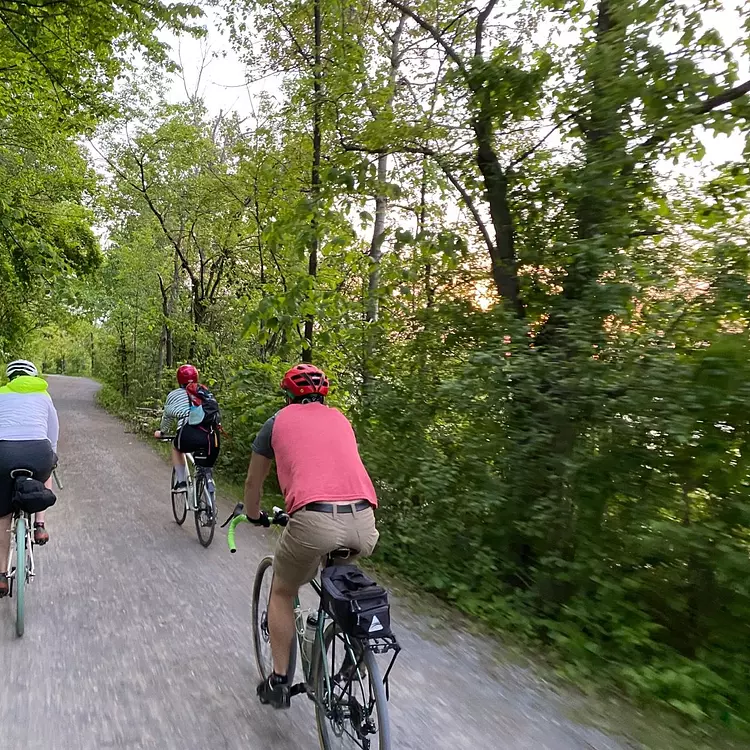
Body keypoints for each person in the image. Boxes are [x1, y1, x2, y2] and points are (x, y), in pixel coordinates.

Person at [244, 363, 380, 709]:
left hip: (313, 520)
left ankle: (277, 680)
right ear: (324, 394)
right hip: (363, 521)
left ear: (288, 394)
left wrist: (253, 514)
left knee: (283, 590)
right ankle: (353, 643)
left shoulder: (276, 423)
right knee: (337, 580)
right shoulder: (341, 420)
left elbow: (253, 485)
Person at [0, 360, 59, 596]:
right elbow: (52, 434)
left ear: (10, 378)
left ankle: (1, 575)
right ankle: (40, 526)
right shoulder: (44, 396)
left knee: (2, 513)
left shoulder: (1, 393)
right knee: (47, 470)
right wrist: (51, 456)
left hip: (4, 455)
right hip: (39, 454)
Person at [153, 364, 220, 492]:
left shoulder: (173, 395)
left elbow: (167, 417)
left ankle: (181, 481)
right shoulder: (204, 392)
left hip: (188, 434)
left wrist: (162, 432)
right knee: (206, 463)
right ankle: (208, 479)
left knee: (177, 447)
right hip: (211, 436)